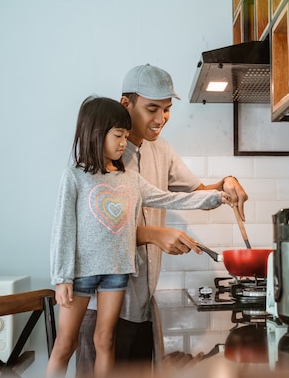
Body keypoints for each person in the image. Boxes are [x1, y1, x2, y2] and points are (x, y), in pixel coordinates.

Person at [75, 64, 249, 375]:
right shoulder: (100, 153)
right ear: (125, 103)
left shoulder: (161, 150)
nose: (160, 120)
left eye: (167, 110)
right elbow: (91, 233)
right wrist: (153, 234)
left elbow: (196, 192)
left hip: (142, 305)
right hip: (102, 307)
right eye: (152, 108)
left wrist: (226, 183)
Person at [46, 96, 230, 378]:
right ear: (96, 134)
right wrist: (62, 278)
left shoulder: (130, 179)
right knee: (64, 345)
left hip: (117, 272)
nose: (123, 143)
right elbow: (63, 230)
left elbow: (170, 199)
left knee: (105, 341)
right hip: (81, 274)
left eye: (125, 135)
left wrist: (215, 197)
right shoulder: (74, 177)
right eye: (118, 136)